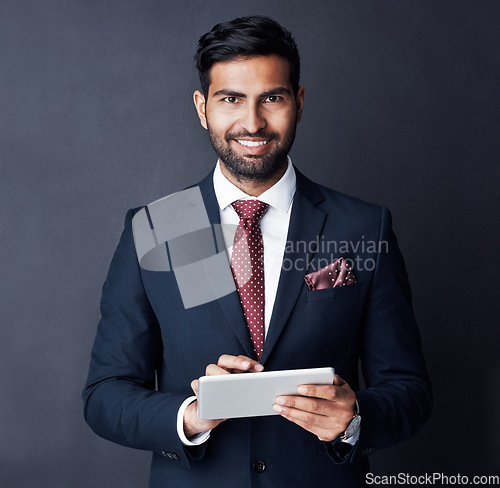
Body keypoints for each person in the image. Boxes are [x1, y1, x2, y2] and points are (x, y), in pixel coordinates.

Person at [83, 15, 432, 488]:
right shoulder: (157, 227)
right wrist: (191, 414)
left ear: (299, 102)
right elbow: (104, 395)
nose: (253, 122)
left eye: (272, 98)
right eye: (231, 99)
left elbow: (410, 391)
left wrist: (355, 418)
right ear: (202, 107)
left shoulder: (364, 227)